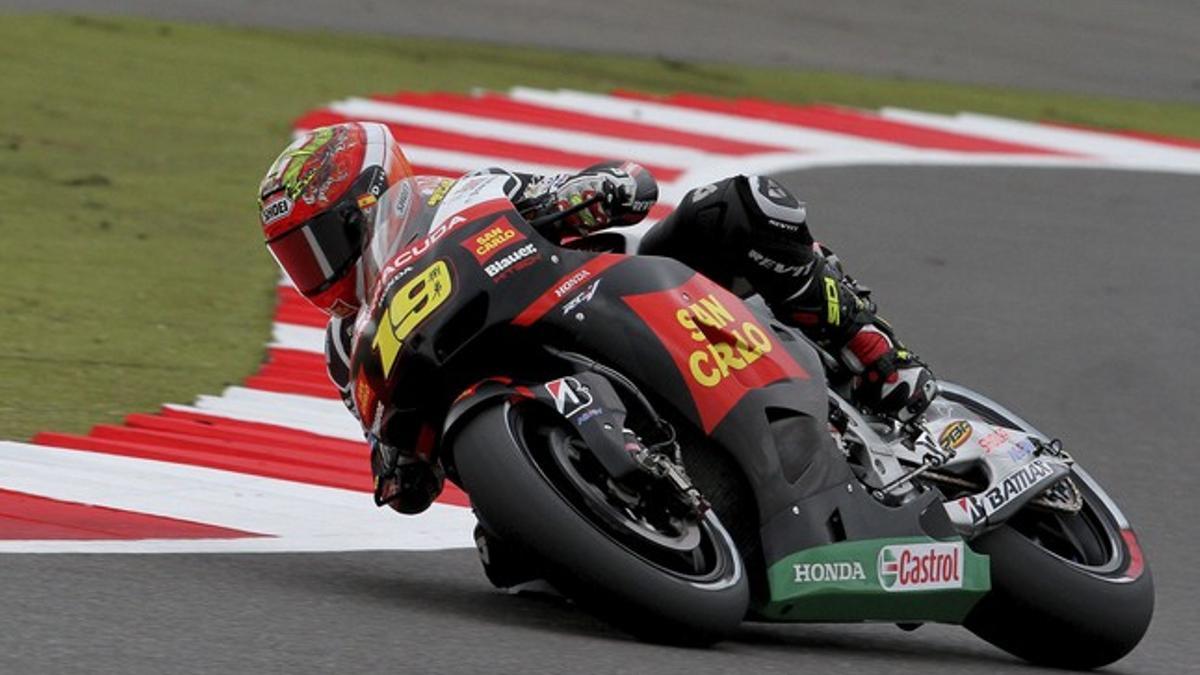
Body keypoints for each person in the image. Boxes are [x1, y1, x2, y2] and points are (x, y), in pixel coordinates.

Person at [257, 121, 936, 520]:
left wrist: (595, 192)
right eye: (296, 258)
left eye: (320, 243)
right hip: (517, 411)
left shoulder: (468, 194)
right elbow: (403, 470)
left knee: (740, 206)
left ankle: (878, 355)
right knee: (511, 570)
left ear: (370, 203)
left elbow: (606, 191)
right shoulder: (352, 346)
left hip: (611, 301)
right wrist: (396, 470)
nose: (314, 272)